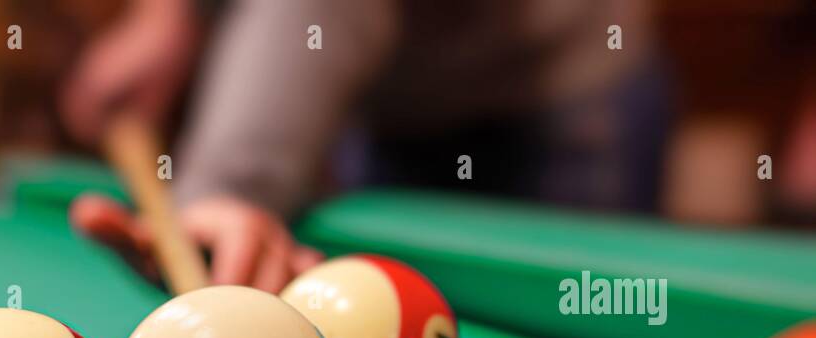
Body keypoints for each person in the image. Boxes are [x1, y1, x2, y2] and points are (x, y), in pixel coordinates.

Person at [62, 0, 669, 291]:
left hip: (563, 87)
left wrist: (231, 185)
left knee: (580, 309)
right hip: (390, 96)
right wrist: (171, 18)